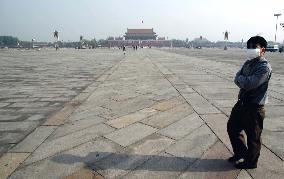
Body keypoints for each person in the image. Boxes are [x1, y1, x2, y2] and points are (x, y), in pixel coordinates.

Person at [227, 36, 272, 169]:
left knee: (253, 136)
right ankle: (240, 153)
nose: (251, 49)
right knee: (232, 128)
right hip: (241, 103)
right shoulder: (247, 63)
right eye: (249, 47)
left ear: (263, 50)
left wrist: (242, 80)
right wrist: (242, 80)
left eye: (254, 47)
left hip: (254, 107)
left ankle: (251, 162)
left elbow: (249, 84)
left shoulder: (264, 67)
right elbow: (237, 78)